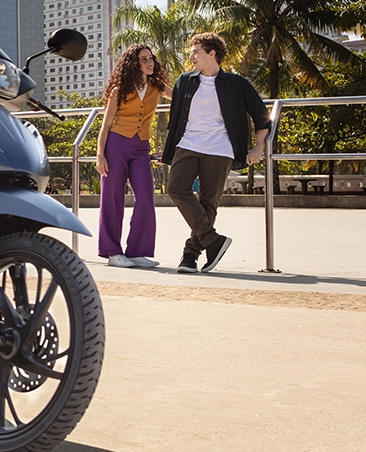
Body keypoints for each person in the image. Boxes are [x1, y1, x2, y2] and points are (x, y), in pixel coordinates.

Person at [162, 32, 270, 273]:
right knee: (176, 188)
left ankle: (190, 256)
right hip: (188, 144)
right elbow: (175, 110)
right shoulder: (185, 81)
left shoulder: (236, 83)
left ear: (212, 54)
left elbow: (262, 116)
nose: (191, 56)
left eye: (196, 52)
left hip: (220, 148)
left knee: (208, 202)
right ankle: (213, 240)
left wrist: (258, 147)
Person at [95, 45, 173, 268]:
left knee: (146, 197)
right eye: (143, 59)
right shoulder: (119, 90)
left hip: (141, 147)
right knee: (112, 198)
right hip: (116, 145)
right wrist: (100, 155)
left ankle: (138, 251)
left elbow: (181, 96)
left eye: (151, 58)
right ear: (133, 64)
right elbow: (106, 125)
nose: (150, 63)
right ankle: (112, 252)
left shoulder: (157, 86)